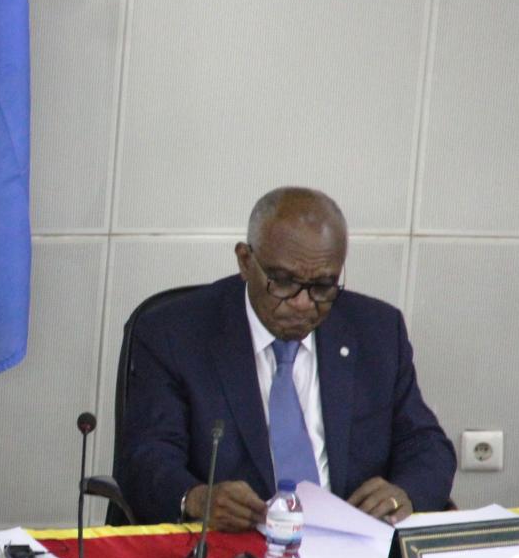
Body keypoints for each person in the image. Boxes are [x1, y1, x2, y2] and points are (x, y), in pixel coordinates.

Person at [118, 186, 455, 533]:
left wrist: (406, 493)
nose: (302, 303)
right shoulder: (174, 333)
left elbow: (426, 445)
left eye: (323, 285)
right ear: (245, 261)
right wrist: (195, 498)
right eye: (282, 282)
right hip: (230, 544)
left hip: (351, 545)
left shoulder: (377, 331)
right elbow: (147, 456)